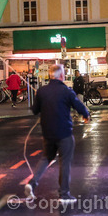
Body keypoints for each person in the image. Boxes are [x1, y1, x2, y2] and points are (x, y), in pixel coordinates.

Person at [23, 64, 90, 204]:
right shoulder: (66, 91)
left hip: (48, 132)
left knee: (46, 158)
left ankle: (32, 183)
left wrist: (39, 98)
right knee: (65, 162)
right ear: (61, 76)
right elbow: (78, 105)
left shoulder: (42, 91)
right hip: (64, 132)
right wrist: (86, 115)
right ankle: (64, 194)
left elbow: (35, 110)